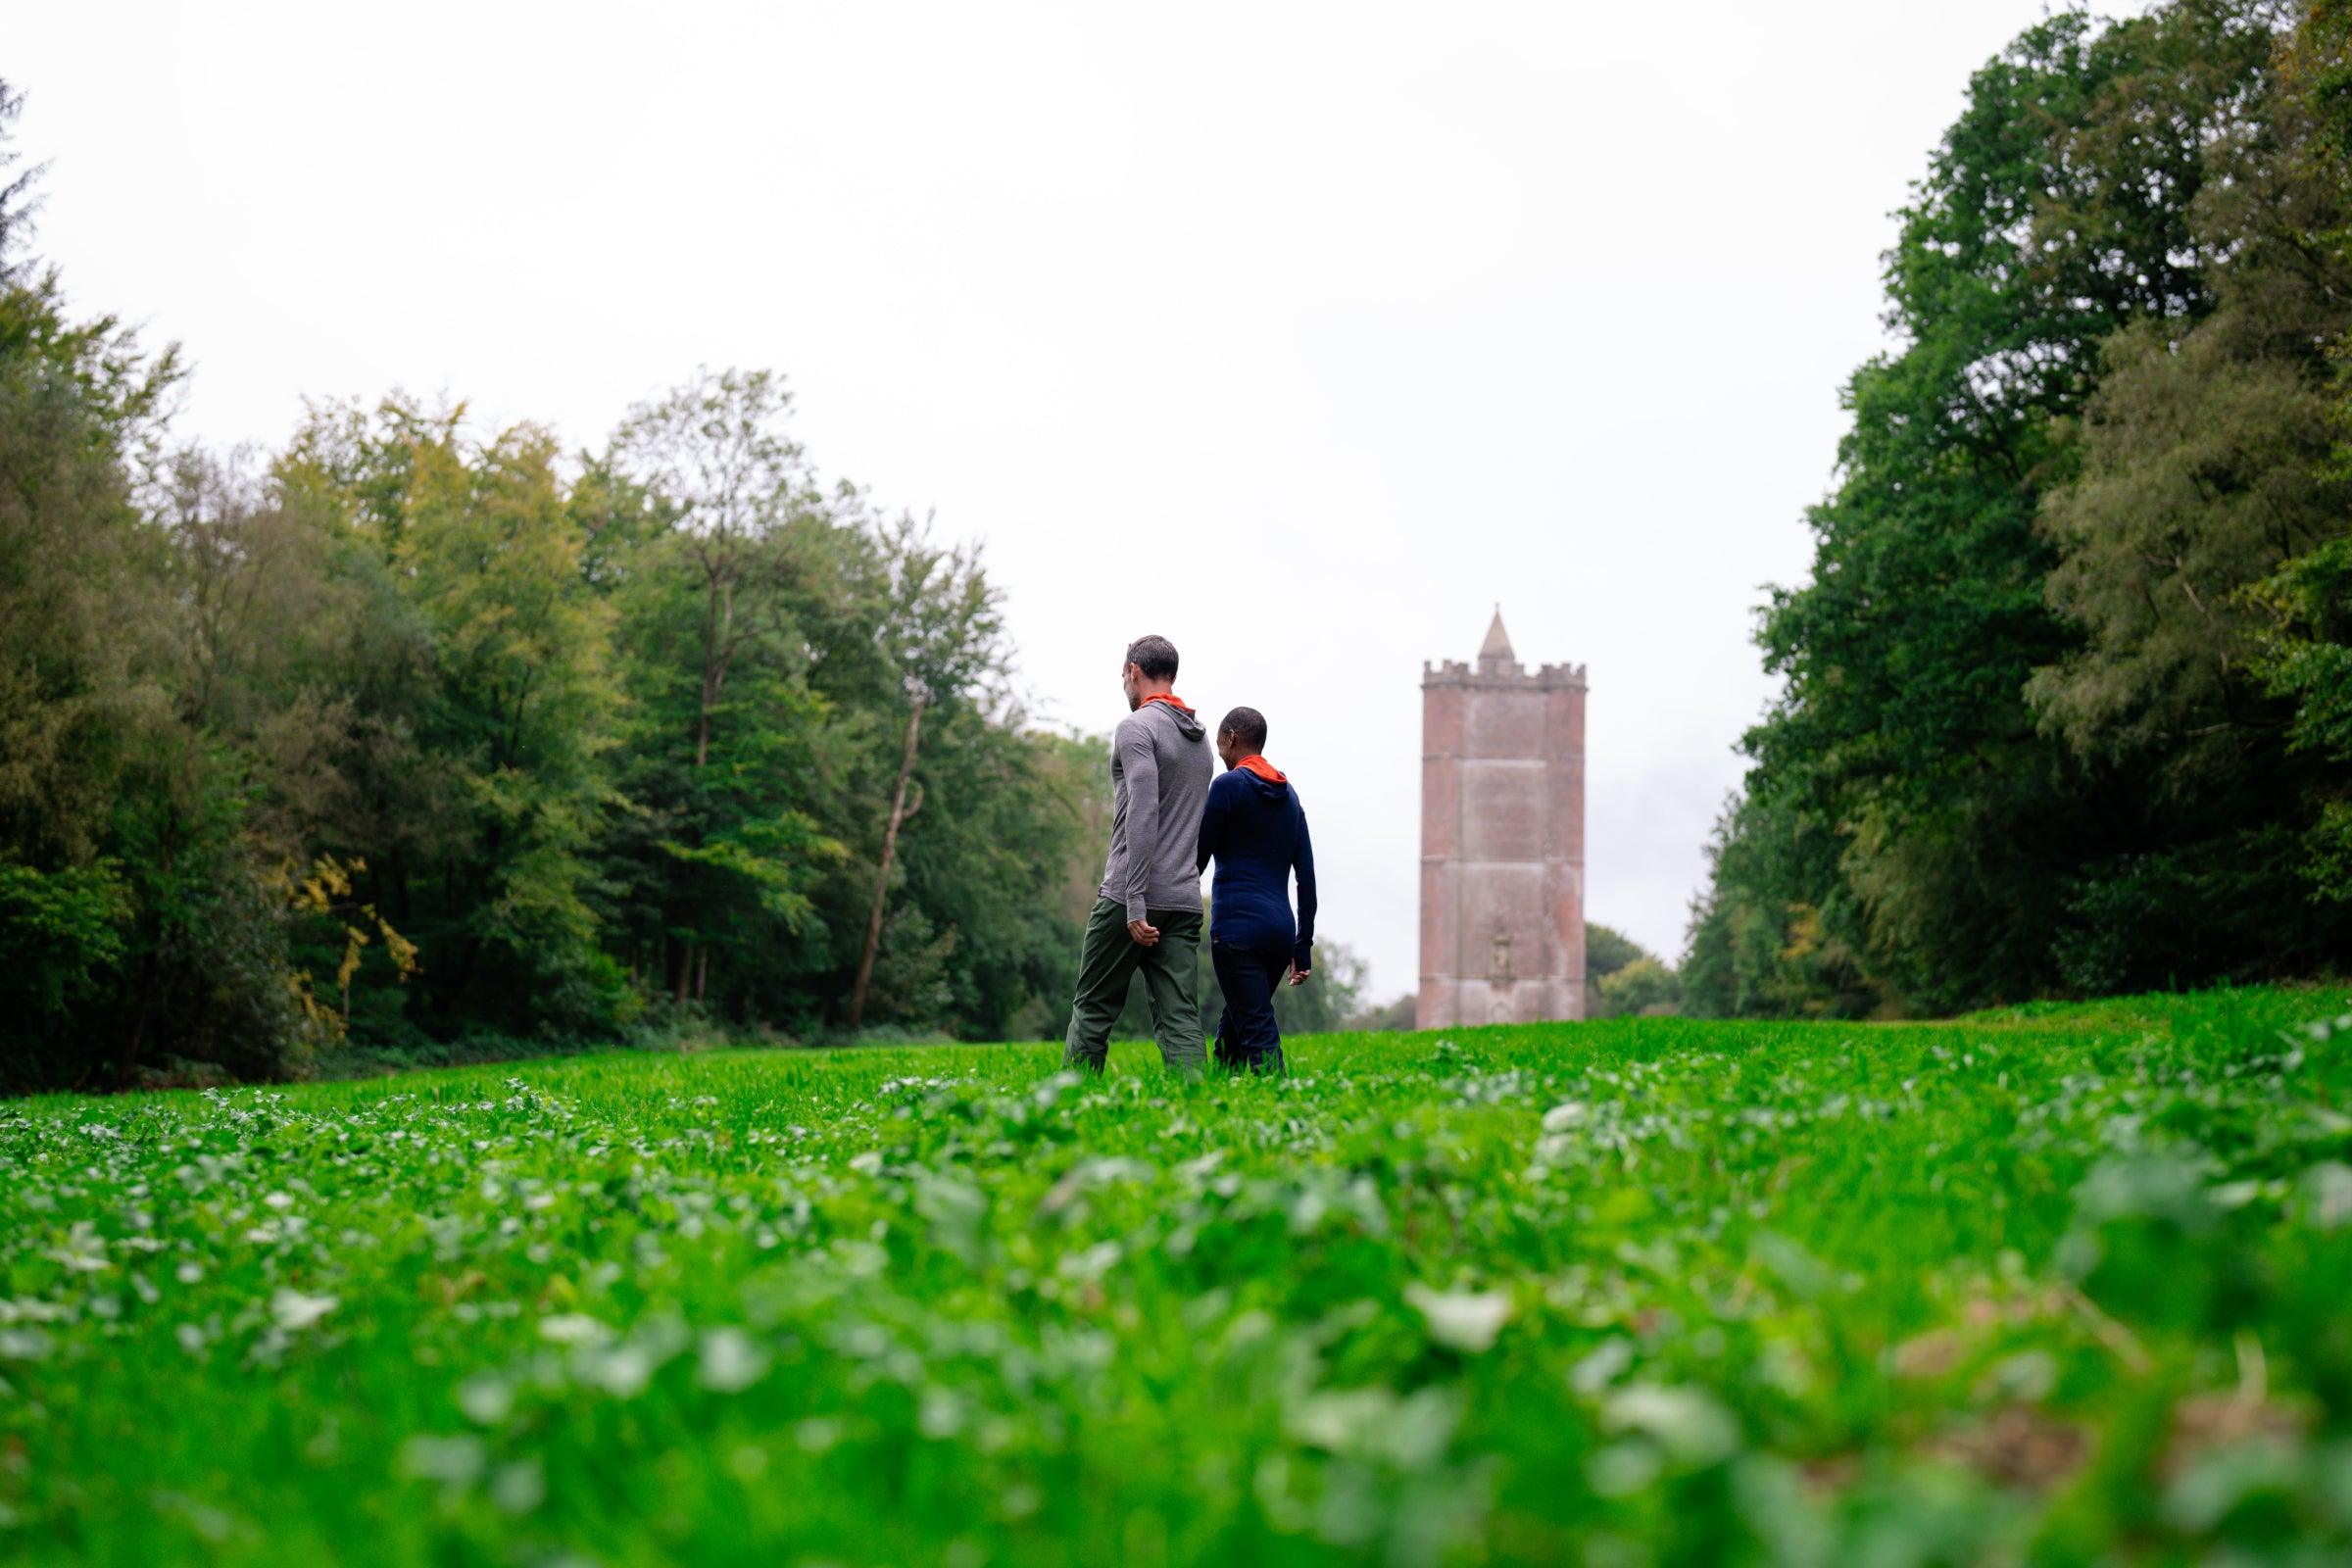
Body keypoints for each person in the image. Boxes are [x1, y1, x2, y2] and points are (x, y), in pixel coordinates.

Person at [1062, 635, 1214, 1074]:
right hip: (1183, 900)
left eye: (1122, 675)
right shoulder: (1200, 739)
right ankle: (1196, 1106)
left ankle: (1069, 1104)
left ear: (1133, 671)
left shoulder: (1137, 727)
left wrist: (1134, 899)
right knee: (1181, 1016)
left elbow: (1144, 811)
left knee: (1092, 1007)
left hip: (1133, 895)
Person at [1195, 705, 1316, 1073]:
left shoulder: (1228, 787)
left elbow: (1197, 859)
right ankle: (1219, 1100)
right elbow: (1306, 877)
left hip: (1237, 931)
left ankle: (1282, 1106)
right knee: (1239, 1021)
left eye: (1221, 749)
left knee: (1258, 1029)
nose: (1223, 759)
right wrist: (1303, 943)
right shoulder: (1291, 798)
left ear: (1231, 738)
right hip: (1279, 936)